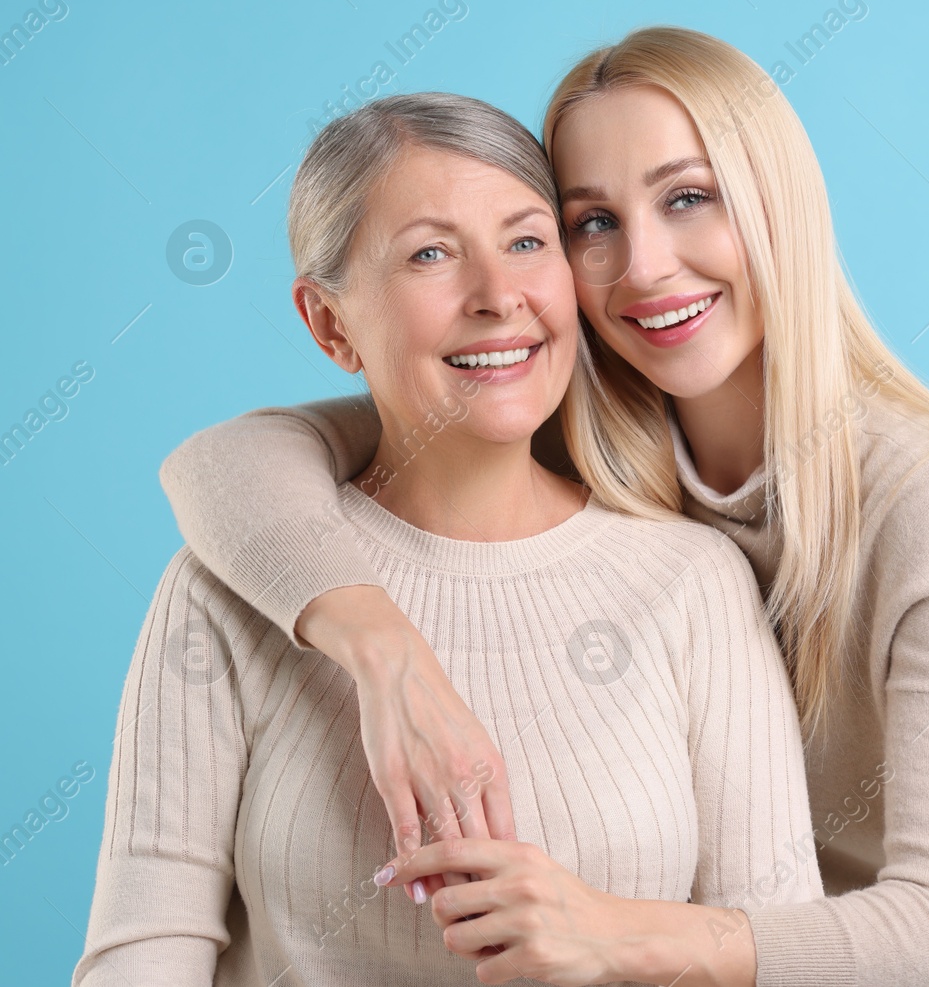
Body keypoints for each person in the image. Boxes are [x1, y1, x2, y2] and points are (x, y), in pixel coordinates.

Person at [157, 27, 929, 987]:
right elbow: (225, 463)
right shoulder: (573, 423)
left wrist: (609, 929)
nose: (645, 265)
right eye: (592, 223)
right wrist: (387, 654)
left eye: (688, 198)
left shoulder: (926, 496)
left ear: (778, 204)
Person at [73, 92, 821, 987]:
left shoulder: (692, 583)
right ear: (329, 323)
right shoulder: (228, 587)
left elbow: (781, 950)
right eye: (431, 253)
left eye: (527, 241)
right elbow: (142, 953)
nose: (499, 296)